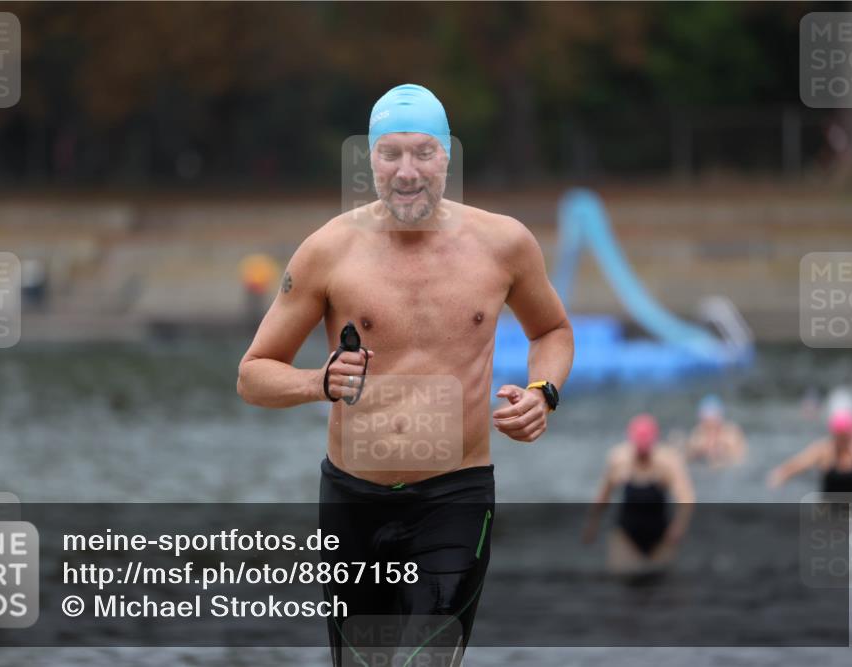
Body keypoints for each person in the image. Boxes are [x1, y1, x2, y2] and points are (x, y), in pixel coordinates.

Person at [237, 83, 574, 666]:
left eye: (423, 152)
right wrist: (320, 383)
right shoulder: (327, 251)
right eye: (391, 153)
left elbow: (552, 332)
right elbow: (252, 375)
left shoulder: (504, 244)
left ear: (448, 156)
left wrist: (543, 393)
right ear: (370, 159)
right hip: (352, 500)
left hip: (455, 497)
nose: (407, 171)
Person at [583, 414, 695, 574]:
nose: (643, 455)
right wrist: (592, 525)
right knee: (623, 583)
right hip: (626, 535)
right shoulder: (619, 459)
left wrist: (678, 528)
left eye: (646, 450)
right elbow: (603, 496)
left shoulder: (668, 462)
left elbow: (686, 497)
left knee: (661, 584)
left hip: (660, 535)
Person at [767, 408, 852, 494]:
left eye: (846, 437)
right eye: (840, 437)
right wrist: (781, 474)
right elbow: (799, 463)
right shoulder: (824, 450)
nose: (843, 441)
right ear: (834, 434)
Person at [685, 395, 747, 468]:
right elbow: (687, 459)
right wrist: (699, 452)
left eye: (714, 424)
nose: (711, 431)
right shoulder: (697, 436)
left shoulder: (731, 434)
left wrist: (723, 450)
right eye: (707, 427)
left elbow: (741, 460)